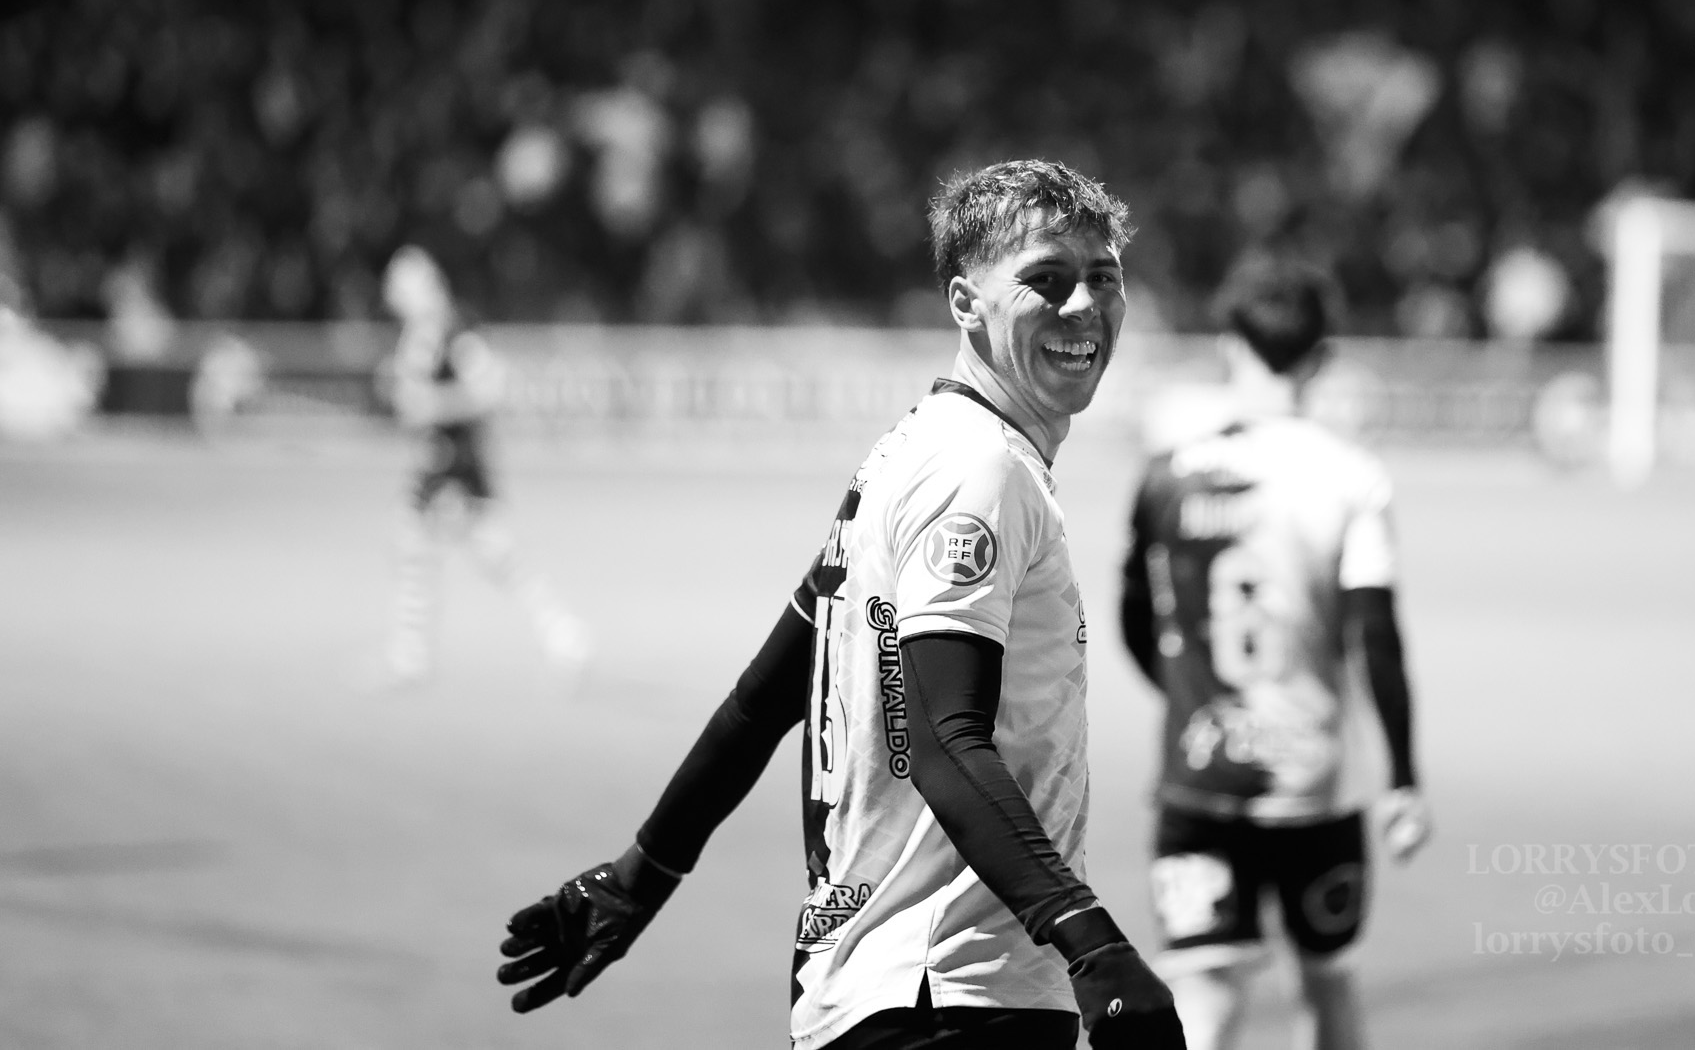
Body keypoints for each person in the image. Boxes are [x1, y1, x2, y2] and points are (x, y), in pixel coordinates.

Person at [495, 160, 1186, 1050]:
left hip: (874, 991)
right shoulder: (979, 469)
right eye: (1047, 280)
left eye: (1103, 277)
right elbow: (946, 741)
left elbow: (764, 698)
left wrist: (640, 876)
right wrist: (1092, 942)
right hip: (952, 990)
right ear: (966, 303)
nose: (1084, 306)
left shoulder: (904, 456)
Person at [1118, 256, 1428, 1050]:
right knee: (1326, 981)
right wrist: (1402, 775)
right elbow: (1376, 635)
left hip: (1200, 773)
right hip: (1313, 783)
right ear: (1322, 357)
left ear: (1230, 345)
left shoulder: (1168, 475)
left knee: (1205, 993)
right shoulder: (1352, 476)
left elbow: (1134, 617)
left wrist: (1187, 698)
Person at [376, 245, 588, 688]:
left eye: (400, 281)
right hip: (436, 461)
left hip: (457, 464)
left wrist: (432, 405)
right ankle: (559, 633)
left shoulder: (453, 330)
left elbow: (489, 388)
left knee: (474, 550)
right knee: (433, 545)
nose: (391, 291)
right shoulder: (420, 333)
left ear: (427, 282)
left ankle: (561, 633)